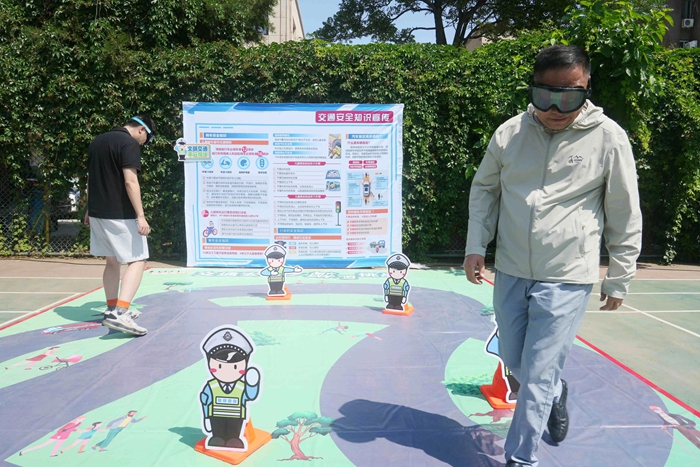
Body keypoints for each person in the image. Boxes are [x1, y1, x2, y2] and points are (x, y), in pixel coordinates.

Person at [463, 45, 642, 467]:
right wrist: (475, 245)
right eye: (545, 96)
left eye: (570, 96)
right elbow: (485, 191)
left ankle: (521, 458)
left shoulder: (609, 138)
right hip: (512, 269)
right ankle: (556, 391)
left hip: (567, 274)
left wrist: (620, 275)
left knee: (538, 372)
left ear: (586, 88)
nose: (556, 109)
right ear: (533, 90)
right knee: (515, 362)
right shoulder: (510, 133)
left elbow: (624, 209)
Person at [84, 115, 156, 336]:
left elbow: (90, 178)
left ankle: (111, 308)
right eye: (147, 139)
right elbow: (130, 181)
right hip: (120, 214)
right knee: (138, 260)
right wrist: (141, 215)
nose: (144, 144)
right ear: (142, 130)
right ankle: (121, 313)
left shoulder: (98, 141)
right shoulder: (129, 143)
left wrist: (89, 208)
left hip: (98, 212)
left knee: (112, 261)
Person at [200, 326, 261, 450]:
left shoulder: (242, 386)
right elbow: (204, 399)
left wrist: (253, 384)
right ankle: (217, 437)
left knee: (234, 432)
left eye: (234, 367)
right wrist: (206, 416)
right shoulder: (211, 386)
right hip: (215, 416)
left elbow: (250, 395)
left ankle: (234, 438)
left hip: (236, 417)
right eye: (220, 366)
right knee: (218, 432)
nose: (227, 371)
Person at [20, 416, 85, 457]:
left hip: (64, 436)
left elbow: (70, 430)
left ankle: (52, 454)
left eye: (82, 419)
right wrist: (59, 435)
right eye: (81, 419)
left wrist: (77, 430)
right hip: (59, 435)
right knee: (44, 444)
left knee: (58, 446)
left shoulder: (78, 424)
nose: (81, 420)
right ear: (78, 418)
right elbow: (61, 429)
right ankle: (24, 451)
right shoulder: (71, 423)